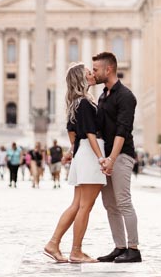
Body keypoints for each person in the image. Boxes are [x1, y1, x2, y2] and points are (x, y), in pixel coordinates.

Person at [44, 63, 108, 264]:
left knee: (77, 205)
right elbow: (89, 133)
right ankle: (76, 251)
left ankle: (53, 243)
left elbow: (73, 135)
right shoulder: (86, 104)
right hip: (90, 154)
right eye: (88, 72)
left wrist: (72, 152)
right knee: (85, 207)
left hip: (82, 154)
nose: (92, 74)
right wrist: (100, 157)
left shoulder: (75, 104)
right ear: (81, 79)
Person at [93, 52, 141, 264]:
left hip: (121, 155)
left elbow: (123, 130)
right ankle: (119, 246)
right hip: (107, 157)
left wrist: (112, 158)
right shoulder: (103, 96)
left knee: (123, 202)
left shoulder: (126, 96)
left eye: (96, 70)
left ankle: (133, 248)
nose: (93, 73)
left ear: (108, 69)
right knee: (110, 205)